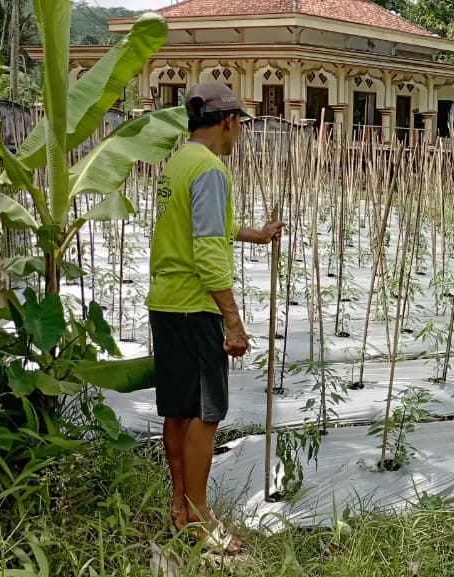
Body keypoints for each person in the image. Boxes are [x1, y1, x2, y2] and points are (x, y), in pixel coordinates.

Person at [146, 81, 283, 553]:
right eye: (241, 122)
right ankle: (202, 519)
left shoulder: (179, 164)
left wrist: (257, 235)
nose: (241, 131)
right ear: (228, 121)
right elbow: (206, 251)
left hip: (165, 302)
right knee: (206, 413)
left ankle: (180, 508)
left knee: (178, 409)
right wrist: (233, 320)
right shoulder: (211, 171)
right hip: (195, 304)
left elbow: (208, 227)